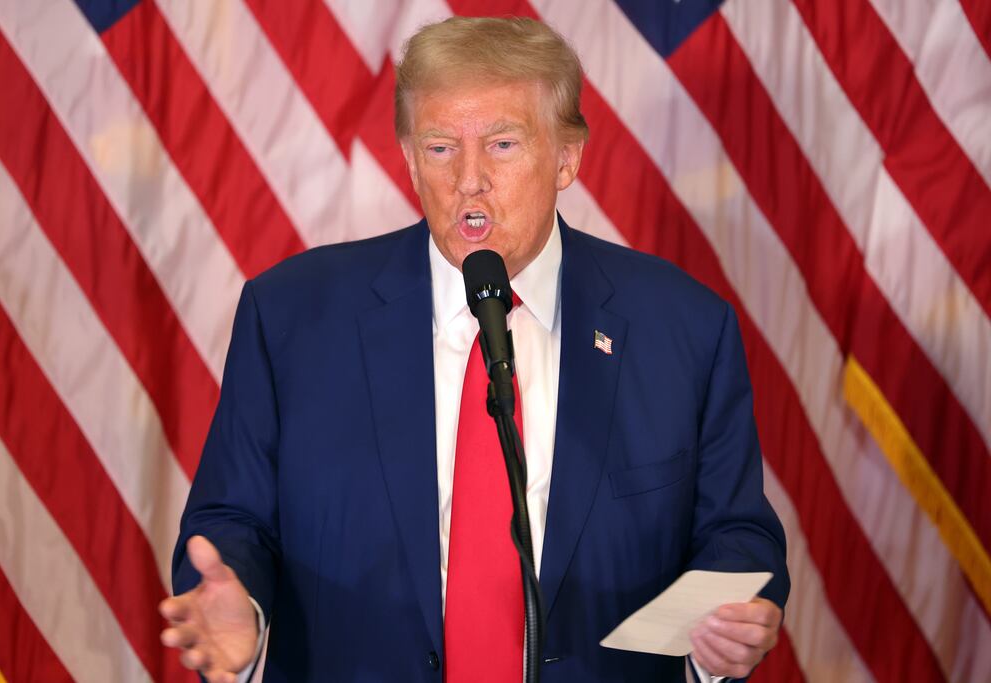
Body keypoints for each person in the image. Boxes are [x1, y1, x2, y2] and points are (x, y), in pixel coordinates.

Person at [160, 16, 789, 683]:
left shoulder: (683, 328)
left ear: (567, 157)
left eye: (503, 144)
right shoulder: (292, 317)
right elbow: (234, 519)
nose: (469, 180)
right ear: (409, 158)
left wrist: (719, 629)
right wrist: (243, 607)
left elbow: (734, 533)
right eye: (440, 148)